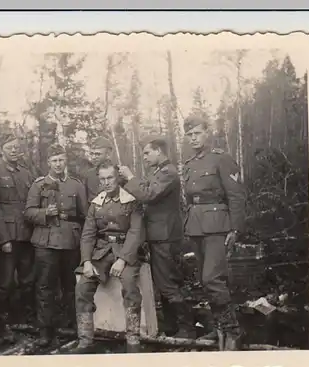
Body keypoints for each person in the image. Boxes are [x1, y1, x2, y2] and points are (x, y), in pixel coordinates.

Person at [119, 135, 196, 339]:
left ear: (159, 152)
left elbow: (148, 195)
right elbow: (143, 190)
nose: (144, 157)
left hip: (165, 237)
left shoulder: (168, 173)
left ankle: (186, 328)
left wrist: (130, 177)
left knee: (168, 282)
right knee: (163, 282)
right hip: (158, 235)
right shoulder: (157, 172)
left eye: (147, 153)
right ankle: (172, 326)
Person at [182, 115, 246, 351]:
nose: (193, 138)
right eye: (189, 134)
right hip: (197, 226)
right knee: (206, 281)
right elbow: (190, 198)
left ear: (208, 132)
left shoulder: (221, 158)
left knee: (212, 279)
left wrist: (235, 228)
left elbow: (236, 195)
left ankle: (233, 331)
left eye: (197, 133)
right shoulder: (189, 164)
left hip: (218, 226)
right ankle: (221, 326)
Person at [72, 159, 145, 354]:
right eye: (102, 179)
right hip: (102, 251)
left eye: (110, 177)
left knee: (129, 284)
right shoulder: (96, 203)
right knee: (82, 287)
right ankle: (86, 341)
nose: (106, 182)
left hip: (125, 249)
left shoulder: (131, 200)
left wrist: (123, 260)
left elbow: (136, 232)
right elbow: (88, 234)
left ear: (118, 178)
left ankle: (133, 340)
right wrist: (87, 261)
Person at [24, 143, 88, 347]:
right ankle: (45, 330)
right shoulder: (38, 185)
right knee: (45, 287)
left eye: (61, 159)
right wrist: (45, 213)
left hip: (70, 241)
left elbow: (85, 215)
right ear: (48, 163)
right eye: (54, 160)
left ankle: (70, 325)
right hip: (46, 242)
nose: (58, 164)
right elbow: (28, 212)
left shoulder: (76, 185)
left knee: (71, 286)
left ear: (65, 160)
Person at [0, 133, 35, 327]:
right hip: (7, 235)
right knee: (5, 282)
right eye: (9, 148)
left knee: (28, 279)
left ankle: (25, 317)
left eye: (16, 147)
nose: (14, 151)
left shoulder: (25, 173)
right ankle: (3, 319)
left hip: (26, 234)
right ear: (1, 150)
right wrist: (3, 239)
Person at [84, 137, 113, 202]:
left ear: (108, 155)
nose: (93, 157)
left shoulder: (119, 173)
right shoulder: (89, 175)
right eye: (92, 154)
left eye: (97, 154)